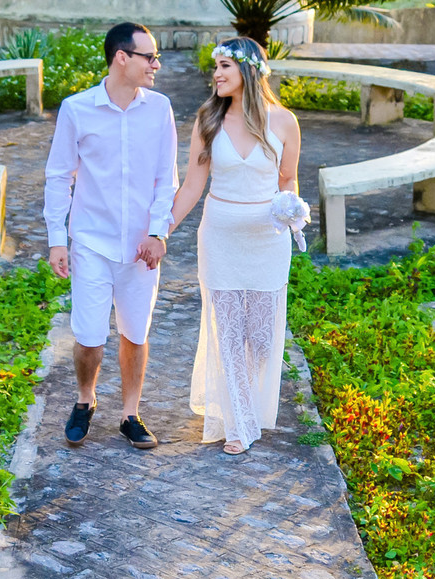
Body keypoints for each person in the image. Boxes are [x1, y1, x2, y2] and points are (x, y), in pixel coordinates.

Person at [44, 22, 179, 450]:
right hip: (91, 242)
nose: (156, 64)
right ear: (122, 57)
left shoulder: (160, 109)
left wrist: (158, 233)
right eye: (149, 56)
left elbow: (166, 180)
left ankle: (130, 413)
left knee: (135, 333)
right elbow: (58, 175)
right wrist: (57, 239)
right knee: (88, 336)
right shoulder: (76, 109)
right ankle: (85, 400)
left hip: (141, 249)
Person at [167, 37, 302, 455]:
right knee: (228, 334)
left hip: (267, 241)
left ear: (250, 71)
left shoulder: (284, 122)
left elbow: (288, 180)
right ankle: (239, 424)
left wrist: (290, 208)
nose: (217, 74)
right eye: (216, 67)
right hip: (221, 237)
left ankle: (244, 408)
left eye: (225, 66)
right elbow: (192, 184)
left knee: (260, 338)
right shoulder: (208, 118)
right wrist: (162, 229)